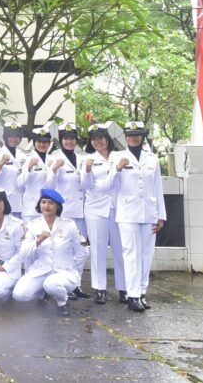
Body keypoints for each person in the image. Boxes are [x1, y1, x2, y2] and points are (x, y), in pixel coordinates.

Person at [113, 120, 166, 312]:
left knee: (146, 254)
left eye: (137, 135)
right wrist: (118, 168)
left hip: (149, 212)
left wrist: (161, 215)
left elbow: (158, 187)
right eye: (130, 135)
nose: (133, 138)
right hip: (128, 213)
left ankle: (142, 292)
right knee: (131, 254)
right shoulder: (117, 157)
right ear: (126, 137)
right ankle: (132, 295)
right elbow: (109, 184)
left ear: (142, 136)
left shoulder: (151, 158)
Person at [13, 188, 88, 317]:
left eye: (51, 203)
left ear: (57, 206)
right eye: (43, 202)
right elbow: (24, 252)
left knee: (52, 284)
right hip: (41, 270)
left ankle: (62, 303)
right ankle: (43, 294)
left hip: (64, 272)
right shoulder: (33, 225)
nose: (46, 206)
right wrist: (39, 240)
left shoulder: (69, 225)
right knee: (19, 294)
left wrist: (76, 273)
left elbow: (82, 252)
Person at [81, 123, 127, 305]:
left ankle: (124, 288)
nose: (97, 142)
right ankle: (99, 289)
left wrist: (117, 168)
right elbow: (89, 186)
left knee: (120, 249)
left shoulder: (119, 156)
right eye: (93, 139)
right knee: (98, 250)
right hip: (95, 209)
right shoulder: (88, 159)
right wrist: (87, 171)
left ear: (107, 138)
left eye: (100, 138)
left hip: (118, 208)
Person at [46, 121, 90, 299]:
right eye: (66, 138)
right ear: (61, 140)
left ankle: (76, 284)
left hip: (82, 212)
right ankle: (60, 284)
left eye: (72, 138)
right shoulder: (54, 158)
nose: (69, 142)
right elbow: (49, 186)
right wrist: (54, 169)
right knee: (62, 251)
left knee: (80, 251)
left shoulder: (82, 158)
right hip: (65, 212)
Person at [0, 121, 23, 216]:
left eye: (17, 136)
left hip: (21, 204)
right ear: (5, 137)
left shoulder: (23, 155)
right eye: (10, 136)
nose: (14, 139)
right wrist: (0, 165)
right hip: (5, 204)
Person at [17, 127, 52, 223]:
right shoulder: (26, 159)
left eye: (45, 142)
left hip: (48, 208)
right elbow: (19, 183)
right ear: (34, 143)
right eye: (39, 141)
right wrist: (29, 167)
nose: (42, 144)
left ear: (49, 143)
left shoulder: (52, 160)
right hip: (31, 209)